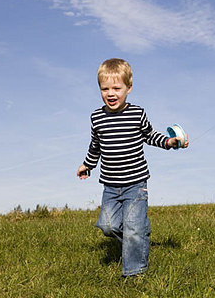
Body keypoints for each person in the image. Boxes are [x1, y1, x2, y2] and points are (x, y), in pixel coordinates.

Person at [77, 58, 188, 277]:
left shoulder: (137, 113)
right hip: (110, 185)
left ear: (128, 88)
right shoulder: (97, 117)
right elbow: (95, 145)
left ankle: (134, 272)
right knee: (108, 226)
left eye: (116, 88)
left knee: (133, 228)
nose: (111, 93)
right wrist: (87, 165)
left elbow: (150, 135)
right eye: (105, 88)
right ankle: (136, 234)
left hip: (136, 184)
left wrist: (169, 142)